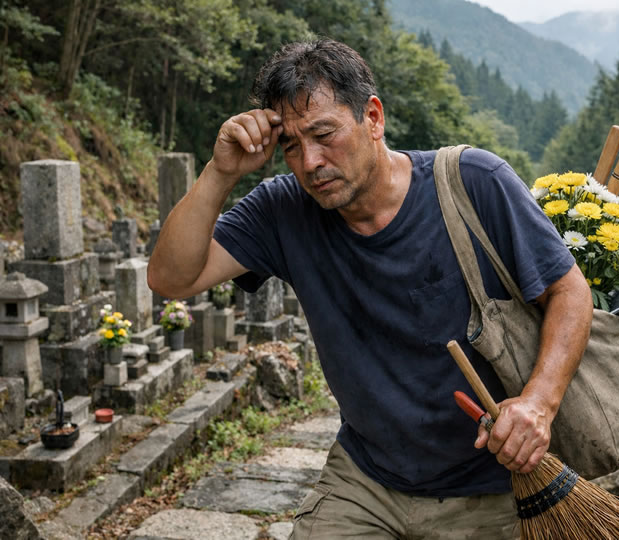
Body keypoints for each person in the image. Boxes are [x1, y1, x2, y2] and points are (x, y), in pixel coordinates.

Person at [147, 39, 592, 538]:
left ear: (373, 118)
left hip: (491, 484)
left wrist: (538, 404)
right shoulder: (283, 210)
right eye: (290, 145)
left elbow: (568, 291)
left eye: (324, 134)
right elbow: (171, 279)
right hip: (366, 477)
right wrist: (220, 172)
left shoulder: (474, 183)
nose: (310, 161)